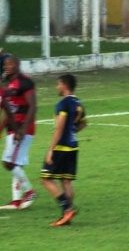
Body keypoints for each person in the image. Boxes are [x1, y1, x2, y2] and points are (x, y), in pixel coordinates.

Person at [41, 74, 87, 226]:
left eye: (58, 84)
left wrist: (50, 149)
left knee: (45, 179)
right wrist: (72, 132)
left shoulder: (63, 104)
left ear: (64, 85)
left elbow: (59, 127)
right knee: (66, 181)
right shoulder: (78, 103)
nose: (57, 87)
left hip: (61, 147)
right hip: (73, 146)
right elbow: (83, 123)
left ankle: (67, 208)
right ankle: (66, 217)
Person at [0, 56, 37, 210]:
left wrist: (22, 129)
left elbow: (33, 106)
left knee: (9, 163)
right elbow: (9, 110)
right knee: (16, 164)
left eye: (10, 64)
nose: (7, 66)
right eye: (5, 64)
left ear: (18, 65)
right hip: (13, 128)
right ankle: (16, 201)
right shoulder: (8, 85)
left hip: (22, 128)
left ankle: (29, 191)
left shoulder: (25, 82)